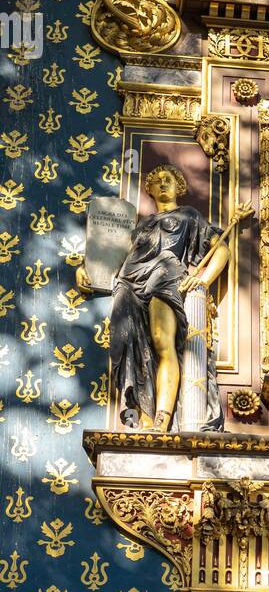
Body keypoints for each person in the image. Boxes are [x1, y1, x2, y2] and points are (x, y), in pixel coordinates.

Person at [78, 164, 228, 431]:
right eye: (156, 180)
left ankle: (163, 419)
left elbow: (222, 250)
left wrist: (203, 280)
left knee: (162, 343)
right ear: (150, 189)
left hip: (165, 276)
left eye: (168, 179)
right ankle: (146, 416)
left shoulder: (188, 216)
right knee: (137, 352)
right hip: (129, 283)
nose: (162, 184)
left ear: (179, 186)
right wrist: (84, 268)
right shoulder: (142, 224)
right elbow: (113, 258)